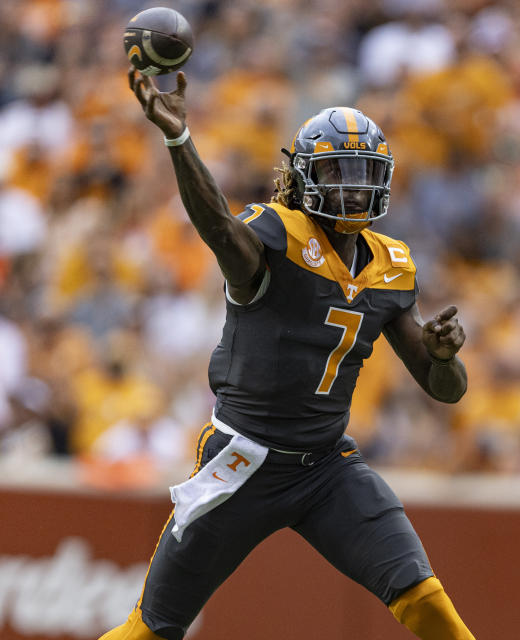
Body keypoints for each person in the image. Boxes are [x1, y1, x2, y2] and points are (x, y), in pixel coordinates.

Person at [100, 67, 476, 640]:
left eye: (362, 174)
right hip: (244, 460)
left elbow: (442, 388)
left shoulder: (391, 265)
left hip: (327, 467)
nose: (351, 188)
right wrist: (179, 139)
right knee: (153, 629)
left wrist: (445, 358)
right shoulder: (274, 236)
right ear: (300, 180)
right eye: (335, 172)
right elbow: (221, 231)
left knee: (425, 598)